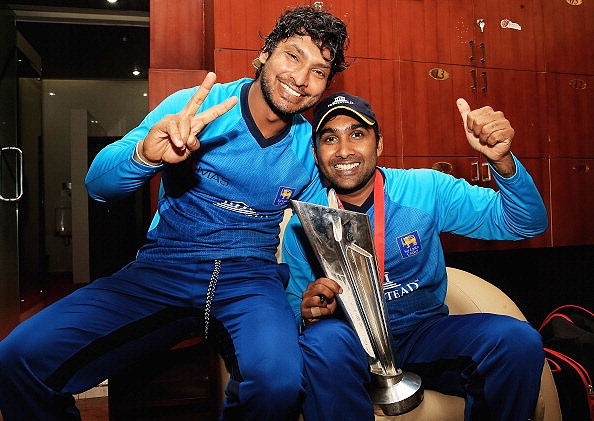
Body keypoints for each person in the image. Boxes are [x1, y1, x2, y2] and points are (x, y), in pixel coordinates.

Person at [0, 6, 348, 421]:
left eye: (319, 70)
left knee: (278, 382)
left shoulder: (308, 150)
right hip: (164, 268)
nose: (301, 78)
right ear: (266, 52)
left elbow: (303, 241)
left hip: (249, 280)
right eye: (293, 55)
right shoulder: (193, 108)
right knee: (16, 357)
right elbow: (98, 185)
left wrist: (297, 310)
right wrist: (145, 156)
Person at [282, 92, 548, 421]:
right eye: (329, 139)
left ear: (378, 144)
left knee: (517, 341)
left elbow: (525, 223)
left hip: (423, 335)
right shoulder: (306, 222)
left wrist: (501, 161)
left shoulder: (426, 188)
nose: (344, 151)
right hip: (348, 345)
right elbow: (295, 306)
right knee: (323, 340)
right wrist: (308, 312)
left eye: (357, 134)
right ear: (316, 153)